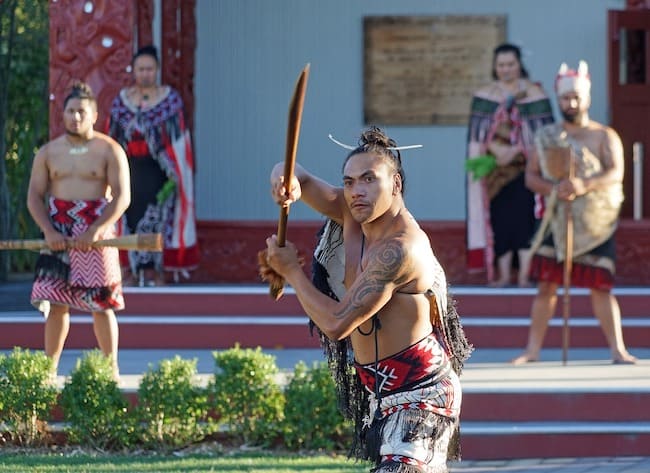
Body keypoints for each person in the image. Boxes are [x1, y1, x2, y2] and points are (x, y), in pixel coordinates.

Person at [260, 127, 472, 472]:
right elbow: (294, 171)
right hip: (382, 394)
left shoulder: (400, 249)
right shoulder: (353, 212)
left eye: (369, 179)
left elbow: (336, 324)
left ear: (396, 185)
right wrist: (285, 180)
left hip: (423, 395)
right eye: (349, 182)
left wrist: (292, 272)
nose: (356, 191)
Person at [511, 61, 637, 365]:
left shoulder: (604, 136)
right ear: (559, 99)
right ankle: (533, 350)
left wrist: (583, 184)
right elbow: (531, 178)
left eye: (576, 97)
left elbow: (616, 173)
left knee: (601, 286)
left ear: (587, 99)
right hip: (557, 218)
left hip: (595, 222)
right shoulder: (547, 136)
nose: (572, 103)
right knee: (547, 286)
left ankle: (617, 350)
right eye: (566, 98)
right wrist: (556, 189)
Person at [27, 81, 130, 379]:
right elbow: (34, 196)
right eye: (70, 112)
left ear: (94, 114)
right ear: (63, 114)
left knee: (102, 304)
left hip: (97, 230)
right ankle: (49, 370)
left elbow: (122, 197)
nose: (75, 117)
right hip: (58, 229)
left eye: (81, 112)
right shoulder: (48, 152)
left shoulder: (110, 149)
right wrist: (48, 230)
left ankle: (111, 369)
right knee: (57, 303)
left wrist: (96, 229)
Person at [107, 44, 198, 286]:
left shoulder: (170, 101)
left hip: (160, 173)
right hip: (130, 172)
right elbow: (112, 141)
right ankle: (130, 270)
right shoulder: (122, 103)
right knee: (129, 219)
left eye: (149, 69)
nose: (145, 73)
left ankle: (156, 271)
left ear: (156, 70)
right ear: (133, 71)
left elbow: (180, 143)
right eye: (141, 69)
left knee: (159, 220)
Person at [466, 43, 555, 287]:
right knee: (500, 222)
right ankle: (504, 276)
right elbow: (477, 136)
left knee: (525, 222)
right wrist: (495, 150)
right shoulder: (485, 96)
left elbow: (545, 135)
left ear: (519, 65)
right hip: (494, 173)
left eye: (511, 64)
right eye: (501, 65)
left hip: (527, 171)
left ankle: (525, 275)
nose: (506, 69)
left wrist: (517, 149)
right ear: (495, 67)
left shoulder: (536, 94)